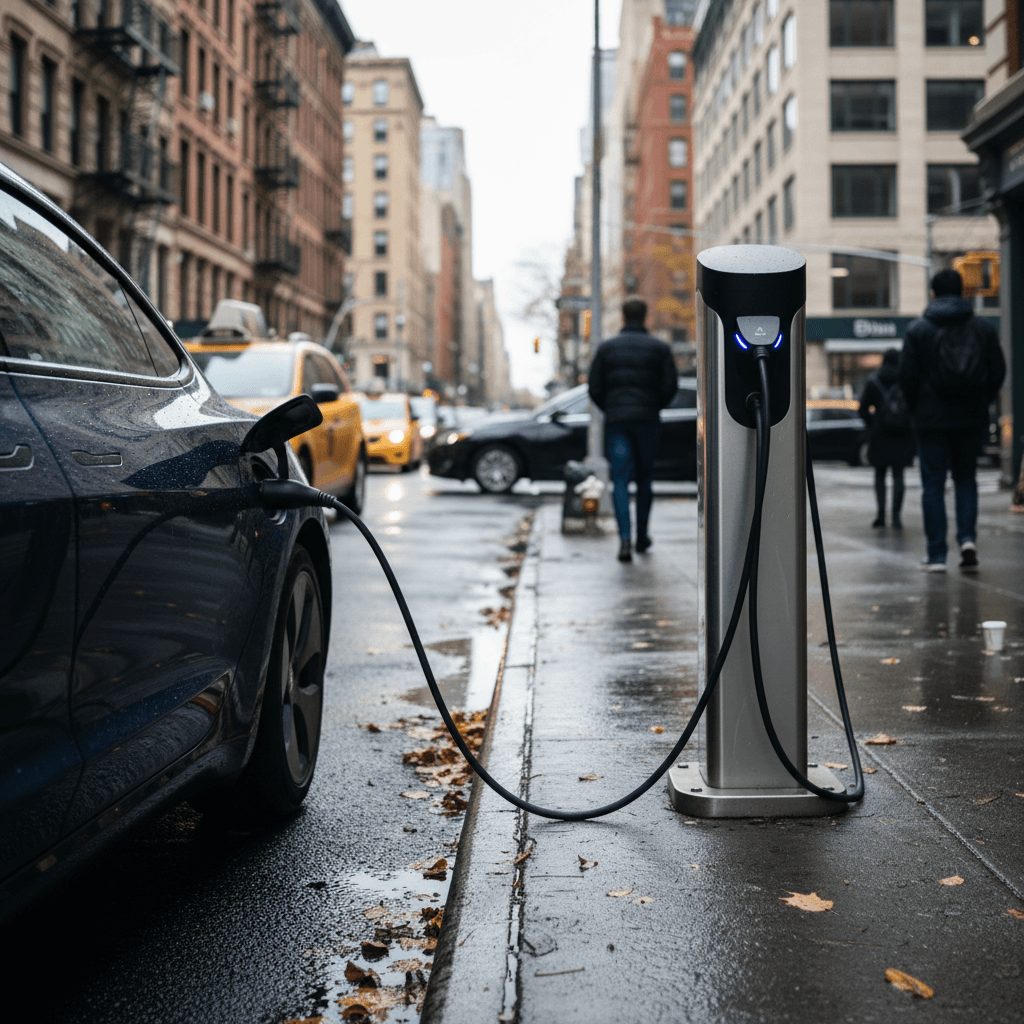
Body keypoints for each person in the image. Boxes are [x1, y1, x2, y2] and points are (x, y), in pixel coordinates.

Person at [898, 268, 1005, 572]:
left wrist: (917, 407)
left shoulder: (919, 329)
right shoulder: (982, 328)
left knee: (933, 485)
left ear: (933, 292)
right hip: (969, 417)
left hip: (931, 420)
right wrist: (981, 400)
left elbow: (907, 376)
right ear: (962, 291)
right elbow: (998, 370)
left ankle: (936, 555)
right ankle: (967, 539)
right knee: (965, 478)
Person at [588, 298, 677, 562]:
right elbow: (669, 386)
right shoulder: (659, 348)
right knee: (645, 478)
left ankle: (624, 540)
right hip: (647, 420)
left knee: (620, 480)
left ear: (623, 316)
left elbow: (594, 387)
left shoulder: (607, 349)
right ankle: (642, 537)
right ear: (645, 316)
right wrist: (653, 405)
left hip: (617, 421)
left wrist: (612, 408)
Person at [858, 348, 915, 529]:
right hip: (901, 435)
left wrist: (873, 423)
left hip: (880, 435)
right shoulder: (905, 380)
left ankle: (881, 515)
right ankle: (896, 517)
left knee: (880, 474)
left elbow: (862, 409)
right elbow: (914, 404)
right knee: (899, 475)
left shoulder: (874, 381)